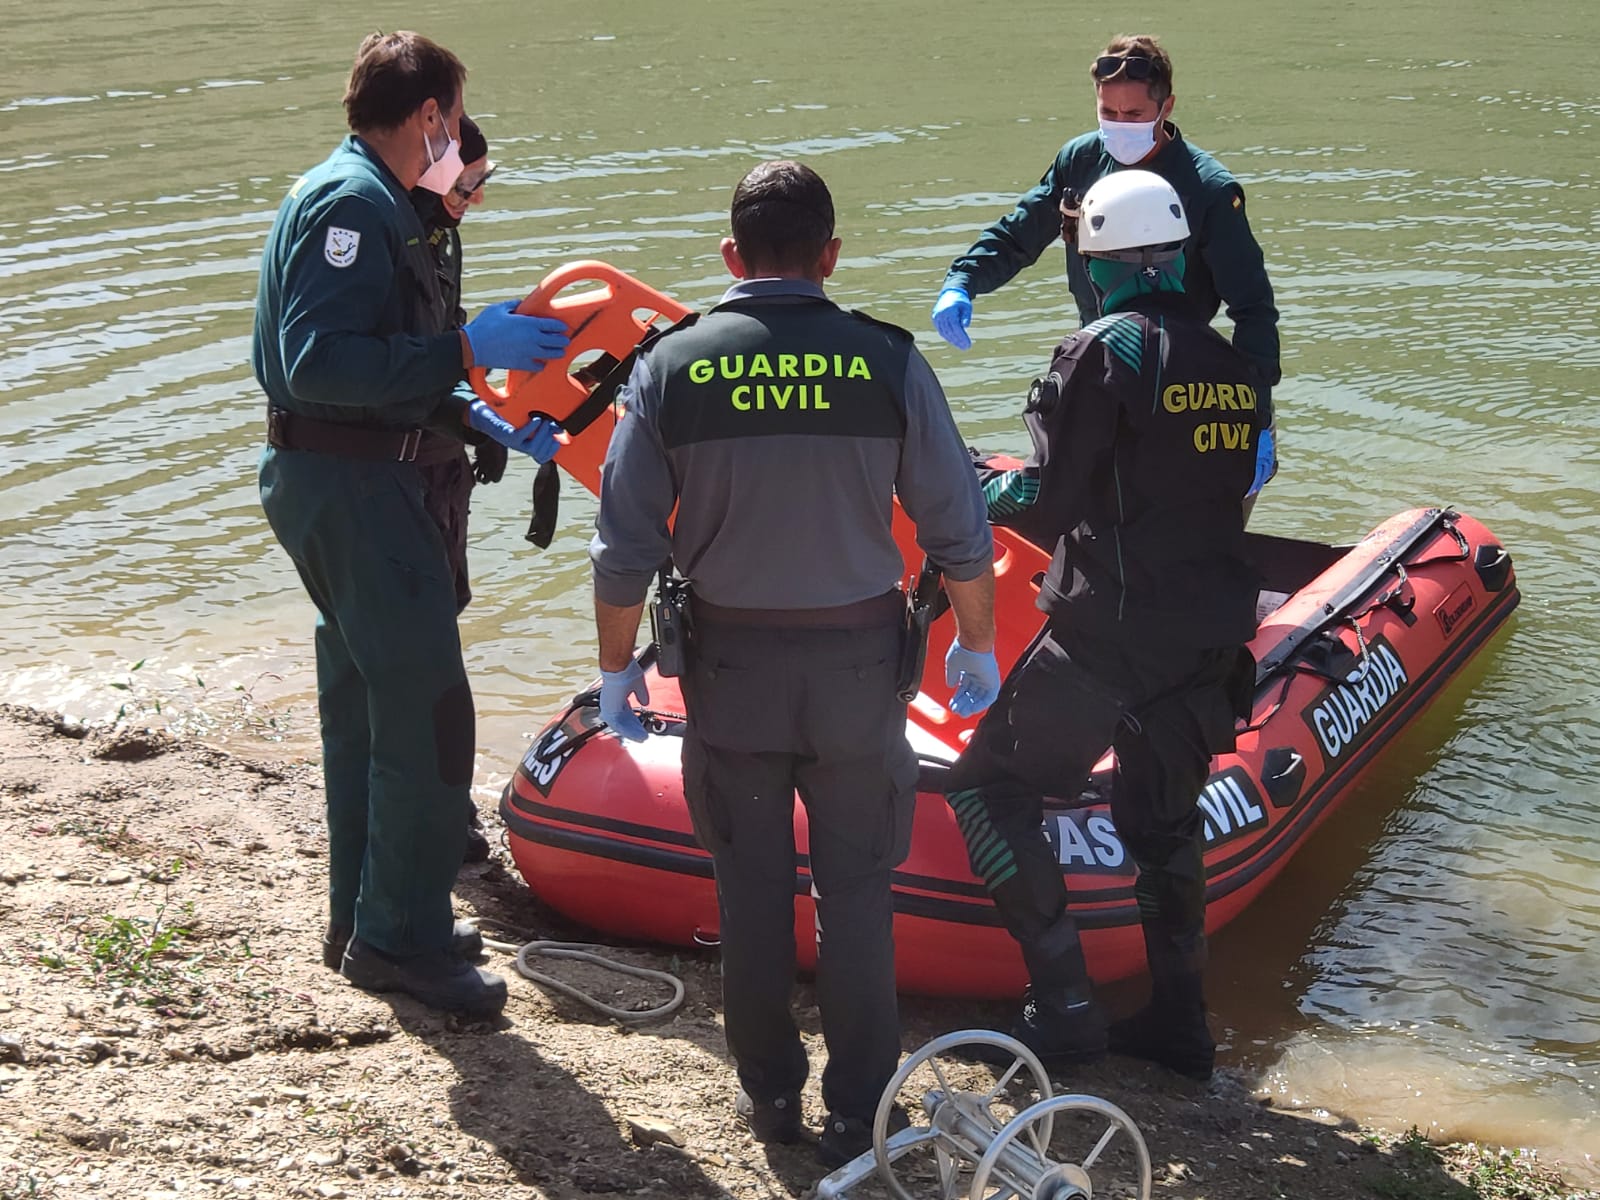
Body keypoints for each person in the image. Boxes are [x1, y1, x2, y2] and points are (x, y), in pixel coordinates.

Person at [589, 161, 1000, 1166]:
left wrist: (612, 673)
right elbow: (961, 533)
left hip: (729, 674)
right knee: (858, 891)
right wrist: (979, 647)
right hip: (860, 671)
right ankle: (863, 1104)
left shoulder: (671, 366)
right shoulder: (888, 361)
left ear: (731, 258)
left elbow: (621, 547)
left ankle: (770, 1099)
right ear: (831, 257)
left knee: (750, 889)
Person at [253, 30, 573, 1018]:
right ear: (432, 115)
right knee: (430, 711)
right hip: (356, 493)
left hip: (345, 481)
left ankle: (368, 917)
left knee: (366, 708)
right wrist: (463, 351)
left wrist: (472, 409)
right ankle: (403, 938)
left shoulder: (370, 198)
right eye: (452, 114)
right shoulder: (355, 205)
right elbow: (319, 366)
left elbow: (368, 368)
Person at [942, 170, 1261, 1081]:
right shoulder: (1232, 363)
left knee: (987, 791)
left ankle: (1068, 1008)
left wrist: (971, 484)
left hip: (1108, 637)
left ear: (1095, 256)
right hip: (1205, 640)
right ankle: (1181, 1026)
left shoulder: (1098, 350)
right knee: (1163, 827)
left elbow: (1044, 501)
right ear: (1173, 254)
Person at [931, 33, 1281, 503]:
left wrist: (1257, 414)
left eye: (1134, 115)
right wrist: (963, 280)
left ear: (1166, 107)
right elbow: (1019, 235)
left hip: (1185, 376)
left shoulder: (1210, 190)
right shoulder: (1080, 161)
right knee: (1092, 506)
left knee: (1199, 517)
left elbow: (1253, 307)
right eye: (1108, 114)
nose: (1119, 126)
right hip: (1098, 362)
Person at [409, 114, 502, 864]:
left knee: (448, 616)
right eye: (465, 184)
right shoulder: (392, 233)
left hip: (441, 461)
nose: (472, 198)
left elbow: (448, 336)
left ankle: (444, 803)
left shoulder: (442, 233)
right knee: (426, 641)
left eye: (481, 185)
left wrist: (482, 416)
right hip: (402, 464)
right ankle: (442, 812)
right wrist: (466, 413)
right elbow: (403, 361)